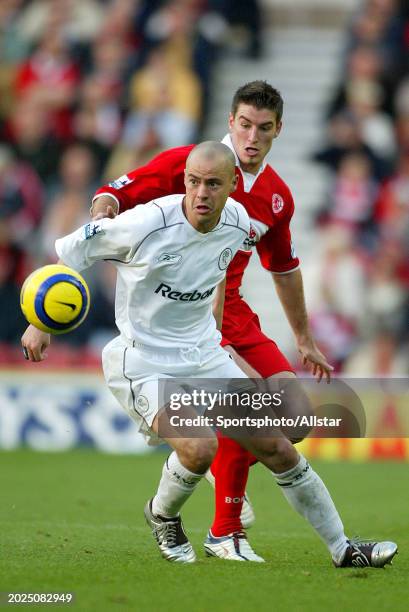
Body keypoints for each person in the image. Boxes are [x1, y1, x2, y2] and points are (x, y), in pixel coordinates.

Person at [22, 141, 398, 568]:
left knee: (279, 447)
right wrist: (42, 321)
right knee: (199, 450)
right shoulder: (144, 224)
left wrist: (218, 339)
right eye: (194, 182)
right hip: (142, 361)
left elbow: (217, 275)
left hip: (203, 356)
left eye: (213, 184)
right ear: (184, 180)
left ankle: (343, 548)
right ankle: (163, 516)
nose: (201, 193)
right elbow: (69, 253)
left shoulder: (238, 222)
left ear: (233, 186)